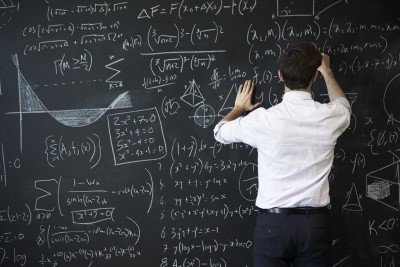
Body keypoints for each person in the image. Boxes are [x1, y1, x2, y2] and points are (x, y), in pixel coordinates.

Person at [213, 42, 351, 267]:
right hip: (315, 225)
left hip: (273, 225)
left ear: (279, 75)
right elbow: (343, 105)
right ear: (314, 77)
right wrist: (327, 71)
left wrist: (239, 108)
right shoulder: (331, 117)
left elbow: (219, 132)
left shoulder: (263, 120)